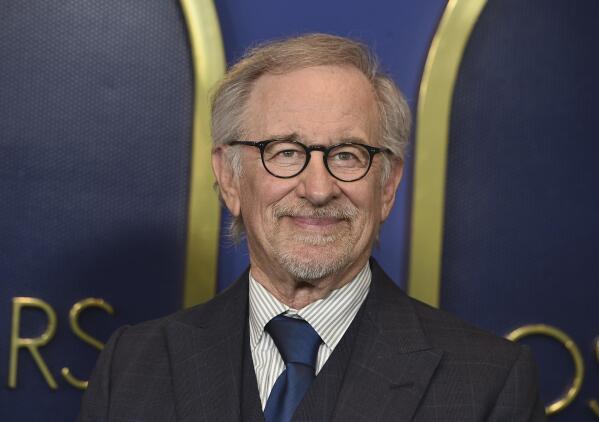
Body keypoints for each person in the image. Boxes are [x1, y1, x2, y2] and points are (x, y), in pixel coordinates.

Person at [79, 33, 545, 421]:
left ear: (388, 185)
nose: (318, 188)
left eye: (347, 154)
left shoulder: (488, 384)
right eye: (284, 152)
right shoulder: (131, 368)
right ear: (229, 178)